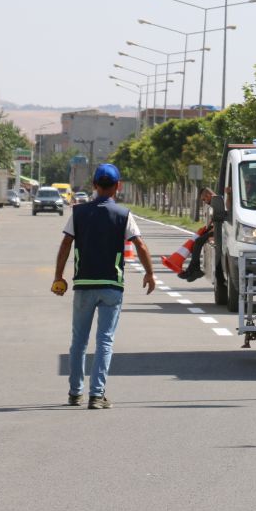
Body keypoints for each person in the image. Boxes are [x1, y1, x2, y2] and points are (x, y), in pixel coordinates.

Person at [52, 163, 155, 409]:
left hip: (84, 284)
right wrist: (150, 273)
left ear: (94, 186)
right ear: (118, 187)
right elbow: (140, 245)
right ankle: (96, 395)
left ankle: (75, 393)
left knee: (79, 341)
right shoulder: (123, 214)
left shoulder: (78, 213)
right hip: (111, 285)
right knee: (105, 341)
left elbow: (66, 244)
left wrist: (59, 276)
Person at [179, 187, 216, 282]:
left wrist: (209, 231)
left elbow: (221, 220)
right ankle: (192, 270)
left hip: (222, 231)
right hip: (216, 229)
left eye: (204, 199)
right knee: (197, 242)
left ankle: (194, 270)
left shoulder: (217, 202)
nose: (204, 201)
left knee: (198, 242)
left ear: (208, 195)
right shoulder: (215, 202)